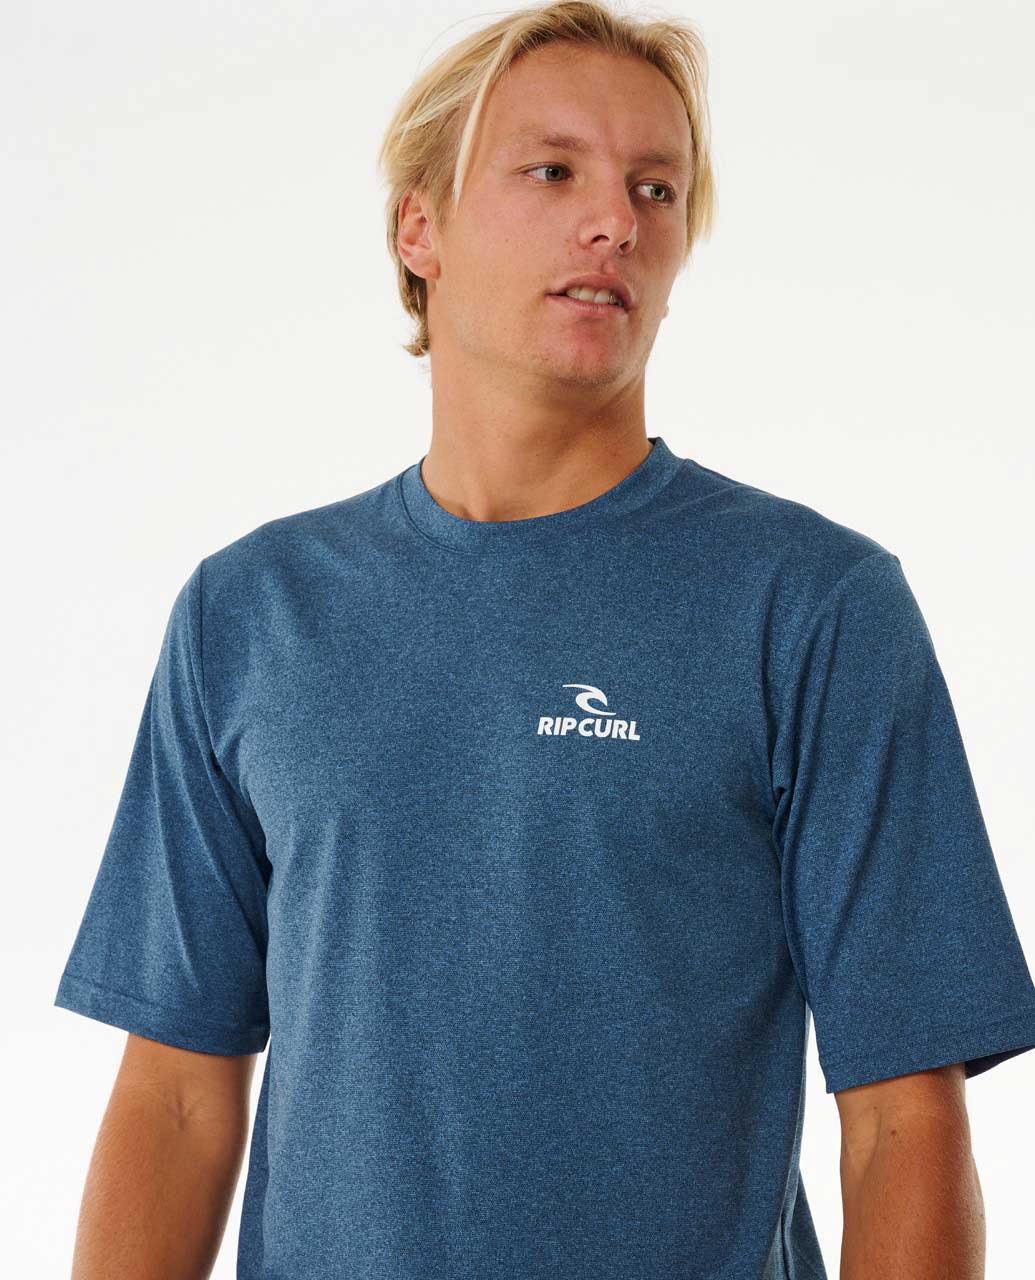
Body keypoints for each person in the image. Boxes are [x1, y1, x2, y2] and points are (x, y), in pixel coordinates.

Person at [54, 3, 1035, 1277]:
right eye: (553, 170)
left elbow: (903, 1119)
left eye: (656, 188)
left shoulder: (814, 604)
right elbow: (179, 1094)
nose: (616, 220)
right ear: (420, 229)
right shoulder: (250, 613)